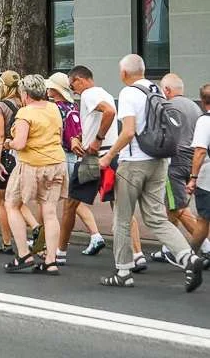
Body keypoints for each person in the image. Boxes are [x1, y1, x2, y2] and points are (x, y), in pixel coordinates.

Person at [98, 55, 203, 291]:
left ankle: (123, 271)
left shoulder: (128, 93)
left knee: (123, 218)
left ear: (124, 73)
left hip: (133, 163)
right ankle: (189, 258)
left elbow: (128, 132)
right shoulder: (156, 89)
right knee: (156, 217)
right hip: (160, 161)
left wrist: (108, 156)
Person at [67, 65, 147, 269]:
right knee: (121, 207)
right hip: (112, 155)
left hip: (95, 158)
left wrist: (96, 141)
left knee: (71, 204)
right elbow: (97, 121)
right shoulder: (105, 93)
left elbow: (109, 112)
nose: (72, 90)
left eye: (72, 84)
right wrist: (81, 138)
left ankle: (57, 253)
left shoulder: (89, 94)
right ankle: (138, 254)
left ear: (80, 80)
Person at [1, 75, 67, 274]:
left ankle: (23, 254)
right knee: (49, 211)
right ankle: (51, 260)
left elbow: (20, 143)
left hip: (32, 164)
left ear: (25, 94)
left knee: (12, 203)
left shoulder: (25, 113)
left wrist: (8, 143)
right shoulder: (53, 108)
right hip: (56, 162)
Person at [44, 72, 101, 266]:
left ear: (54, 90)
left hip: (60, 155)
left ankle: (43, 239)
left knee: (58, 199)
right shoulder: (73, 106)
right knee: (73, 198)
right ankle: (95, 235)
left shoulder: (54, 108)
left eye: (50, 87)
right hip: (75, 153)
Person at [152, 73, 204, 263]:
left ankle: (205, 246)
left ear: (166, 90)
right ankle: (169, 248)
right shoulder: (194, 107)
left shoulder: (167, 107)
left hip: (173, 161)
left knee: (178, 206)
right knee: (173, 205)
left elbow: (160, 134)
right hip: (192, 161)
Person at [0, 71, 38, 254]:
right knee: (17, 200)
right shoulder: (26, 105)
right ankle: (34, 227)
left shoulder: (0, 106)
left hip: (6, 155)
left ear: (3, 86)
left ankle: (7, 242)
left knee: (3, 201)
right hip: (23, 156)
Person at [186, 84, 210, 262]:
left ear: (203, 101)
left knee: (203, 219)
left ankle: (192, 255)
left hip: (207, 179)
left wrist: (193, 178)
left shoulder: (204, 121)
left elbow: (200, 151)